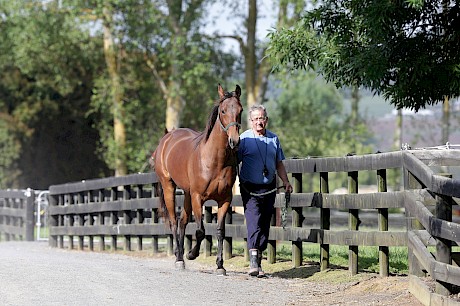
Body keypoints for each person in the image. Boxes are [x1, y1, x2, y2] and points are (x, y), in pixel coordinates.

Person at [237, 104, 293, 277]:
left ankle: (259, 260)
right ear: (251, 121)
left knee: (264, 224)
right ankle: (253, 261)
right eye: (256, 119)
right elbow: (233, 164)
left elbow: (279, 164)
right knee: (253, 220)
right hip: (250, 188)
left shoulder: (274, 139)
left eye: (262, 118)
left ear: (266, 120)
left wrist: (286, 181)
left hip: (269, 188)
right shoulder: (244, 139)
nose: (259, 122)